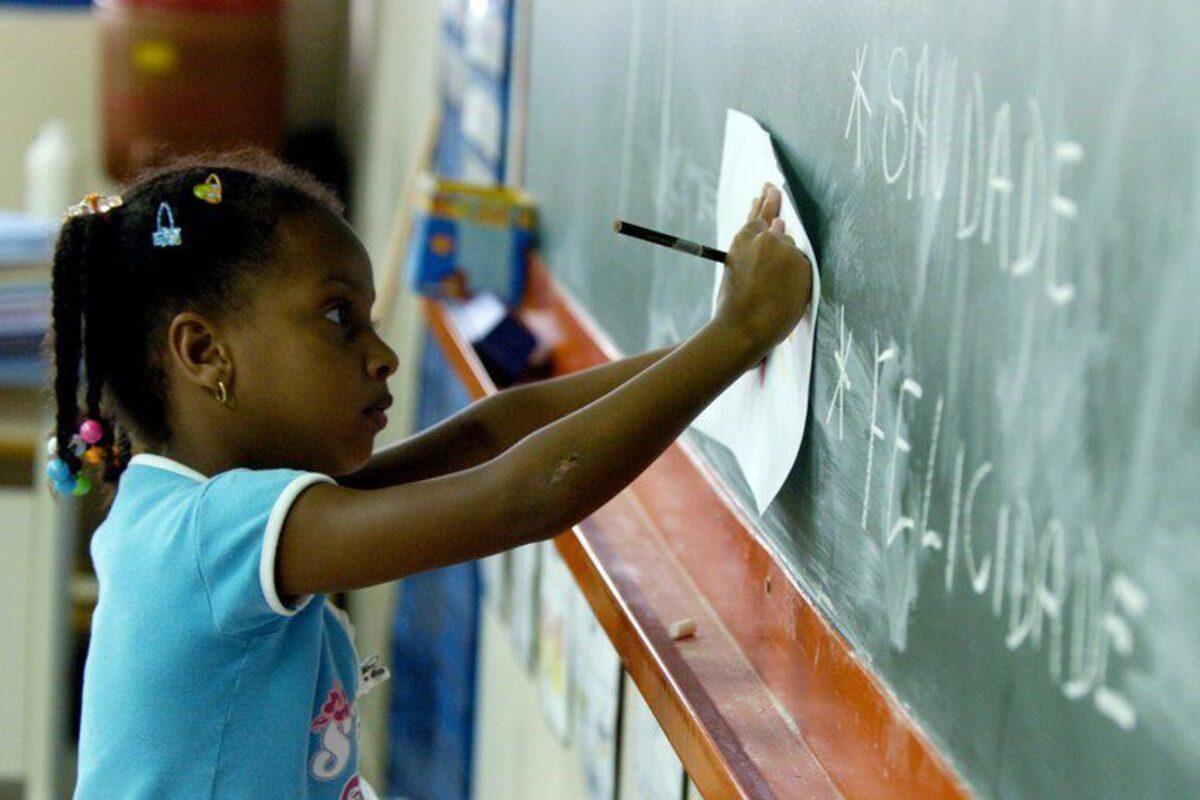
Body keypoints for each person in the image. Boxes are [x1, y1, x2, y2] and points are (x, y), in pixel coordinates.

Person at [47, 150, 811, 799]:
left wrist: (719, 354)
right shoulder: (209, 537)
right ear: (204, 352)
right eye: (339, 317)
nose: (383, 356)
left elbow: (488, 435)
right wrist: (736, 335)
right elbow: (519, 499)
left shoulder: (190, 521)